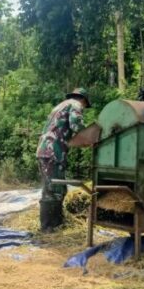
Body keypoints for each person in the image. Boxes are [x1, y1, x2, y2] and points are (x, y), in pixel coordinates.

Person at [35, 87, 90, 231]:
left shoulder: (60, 106)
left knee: (52, 188)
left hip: (44, 151)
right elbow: (76, 125)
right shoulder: (75, 104)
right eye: (85, 105)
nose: (84, 108)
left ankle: (51, 225)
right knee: (55, 190)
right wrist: (91, 138)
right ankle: (50, 227)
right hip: (53, 152)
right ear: (83, 100)